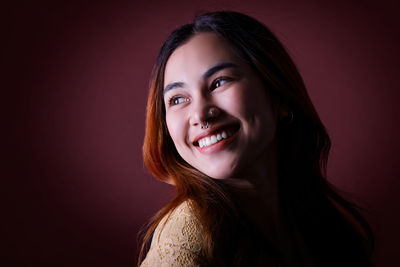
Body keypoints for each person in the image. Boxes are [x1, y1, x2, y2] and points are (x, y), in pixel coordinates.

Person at [138, 11, 374, 267]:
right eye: (177, 99)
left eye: (219, 82)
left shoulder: (316, 222)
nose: (199, 114)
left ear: (278, 95)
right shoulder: (186, 235)